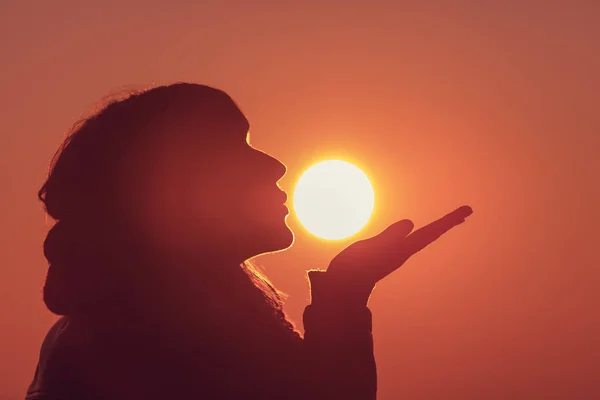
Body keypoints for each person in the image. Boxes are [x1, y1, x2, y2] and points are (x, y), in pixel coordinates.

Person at [26, 83, 473, 400]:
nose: (275, 166)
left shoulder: (157, 320)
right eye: (237, 147)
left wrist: (345, 293)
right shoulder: (140, 341)